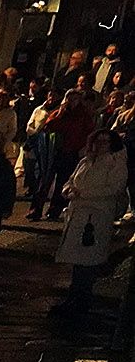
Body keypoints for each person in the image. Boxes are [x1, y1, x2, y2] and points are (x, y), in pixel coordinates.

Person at [57, 129, 128, 315]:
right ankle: (73, 298)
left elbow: (114, 188)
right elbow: (72, 179)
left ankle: (81, 301)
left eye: (105, 142)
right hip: (77, 214)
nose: (100, 145)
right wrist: (67, 190)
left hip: (96, 217)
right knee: (77, 261)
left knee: (87, 261)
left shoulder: (115, 163)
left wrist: (84, 194)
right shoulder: (86, 160)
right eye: (98, 141)